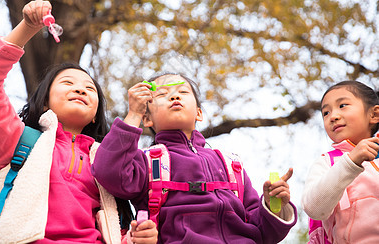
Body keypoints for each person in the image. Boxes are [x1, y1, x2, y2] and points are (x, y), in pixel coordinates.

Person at [0, 0, 157, 243]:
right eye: (68, 83)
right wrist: (27, 27)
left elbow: (115, 229)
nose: (80, 90)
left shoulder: (105, 161)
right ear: (45, 102)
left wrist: (138, 237)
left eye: (90, 89)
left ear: (94, 114)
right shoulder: (18, 141)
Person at [92, 73, 298, 243]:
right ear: (147, 118)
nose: (174, 97)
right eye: (163, 94)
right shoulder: (147, 161)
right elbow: (108, 172)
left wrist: (273, 206)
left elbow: (263, 232)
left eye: (182, 92)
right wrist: (133, 115)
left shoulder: (230, 165)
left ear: (199, 113)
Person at [302, 80, 379, 243]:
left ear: (374, 115)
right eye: (326, 113)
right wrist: (350, 163)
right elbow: (313, 208)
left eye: (342, 105)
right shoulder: (326, 163)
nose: (333, 116)